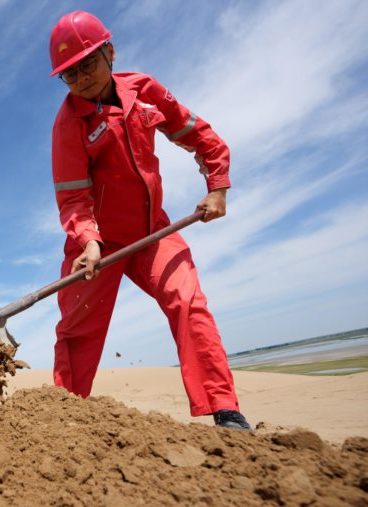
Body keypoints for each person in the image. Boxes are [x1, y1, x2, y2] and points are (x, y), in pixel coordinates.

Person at [48, 11, 251, 430]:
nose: (81, 78)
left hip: (154, 230)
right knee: (76, 332)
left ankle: (225, 409)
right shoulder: (68, 125)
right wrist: (88, 240)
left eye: (88, 63)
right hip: (97, 245)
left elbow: (198, 134)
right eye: (69, 74)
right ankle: (62, 421)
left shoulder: (144, 90)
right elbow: (73, 199)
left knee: (189, 303)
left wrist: (218, 184)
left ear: (110, 51)